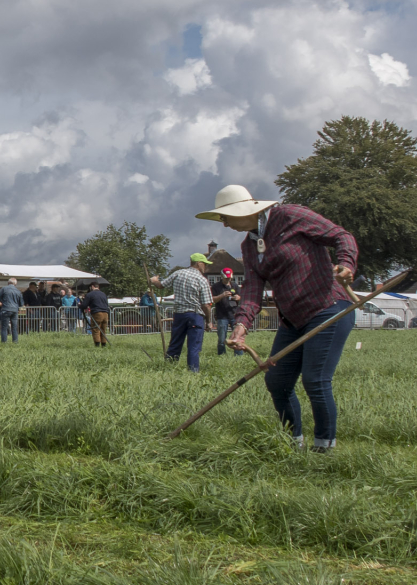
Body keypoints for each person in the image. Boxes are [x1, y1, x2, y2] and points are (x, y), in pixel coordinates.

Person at [200, 184, 359, 452]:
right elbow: (251, 289)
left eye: (225, 217)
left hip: (328, 307)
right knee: (277, 381)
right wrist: (241, 326)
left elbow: (341, 236)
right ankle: (292, 443)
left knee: (315, 380)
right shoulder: (248, 246)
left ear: (242, 211)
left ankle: (324, 448)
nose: (224, 225)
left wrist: (346, 263)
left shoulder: (290, 216)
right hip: (292, 320)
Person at [150, 254, 215, 372]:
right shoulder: (202, 280)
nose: (205, 267)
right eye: (204, 264)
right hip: (195, 315)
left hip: (179, 314)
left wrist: (154, 280)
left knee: (175, 343)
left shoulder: (178, 273)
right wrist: (209, 321)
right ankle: (193, 371)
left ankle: (168, 369)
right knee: (194, 346)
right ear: (198, 263)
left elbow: (160, 285)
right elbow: (206, 305)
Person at [212, 269, 239, 356]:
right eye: (226, 278)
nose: (227, 279)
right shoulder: (216, 287)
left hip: (234, 314)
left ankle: (238, 355)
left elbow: (241, 297)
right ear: (221, 276)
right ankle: (222, 355)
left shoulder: (235, 285)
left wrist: (237, 298)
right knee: (222, 338)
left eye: (229, 278)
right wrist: (222, 295)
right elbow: (212, 300)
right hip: (222, 315)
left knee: (237, 337)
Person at [81, 281, 112, 347]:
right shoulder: (103, 294)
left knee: (96, 329)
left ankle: (97, 345)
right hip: (105, 313)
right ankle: (104, 345)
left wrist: (80, 305)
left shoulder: (90, 294)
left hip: (97, 313)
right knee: (103, 329)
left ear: (92, 286)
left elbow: (84, 305)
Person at [0, 278, 24, 342]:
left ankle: (4, 342)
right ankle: (15, 341)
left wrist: (0, 302)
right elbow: (21, 304)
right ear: (15, 284)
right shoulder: (18, 291)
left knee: (4, 327)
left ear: (8, 283)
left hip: (6, 309)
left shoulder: (4, 289)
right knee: (14, 327)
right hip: (15, 311)